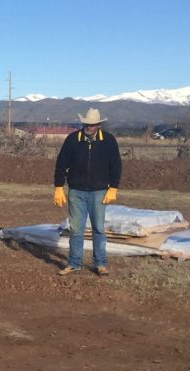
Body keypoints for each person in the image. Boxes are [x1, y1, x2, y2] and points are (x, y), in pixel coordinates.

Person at [53, 108, 121, 276]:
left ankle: (100, 263)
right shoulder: (72, 140)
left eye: (93, 125)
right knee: (76, 230)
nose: (89, 127)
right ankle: (74, 262)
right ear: (83, 123)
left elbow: (116, 165)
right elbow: (61, 164)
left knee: (98, 228)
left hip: (99, 192)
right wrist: (58, 187)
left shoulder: (109, 141)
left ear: (98, 125)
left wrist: (113, 187)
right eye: (87, 124)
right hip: (76, 192)